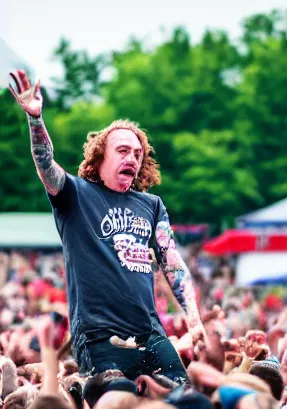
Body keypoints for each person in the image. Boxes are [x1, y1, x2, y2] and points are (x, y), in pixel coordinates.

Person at [8, 69, 206, 383]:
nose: (133, 158)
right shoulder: (75, 195)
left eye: (138, 153)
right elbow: (45, 162)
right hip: (99, 335)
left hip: (150, 333)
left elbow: (173, 264)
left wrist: (194, 318)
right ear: (100, 158)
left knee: (182, 398)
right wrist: (35, 118)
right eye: (123, 151)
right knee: (117, 407)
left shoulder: (151, 205)